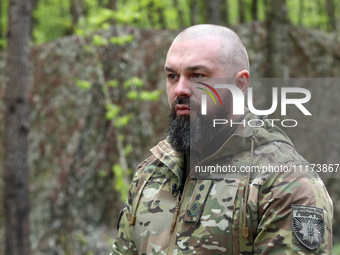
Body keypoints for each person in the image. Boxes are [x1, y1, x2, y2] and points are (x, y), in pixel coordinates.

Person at [111, 24, 333, 254]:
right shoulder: (151, 173)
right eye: (172, 76)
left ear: (239, 84)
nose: (180, 89)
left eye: (197, 75)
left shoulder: (285, 183)